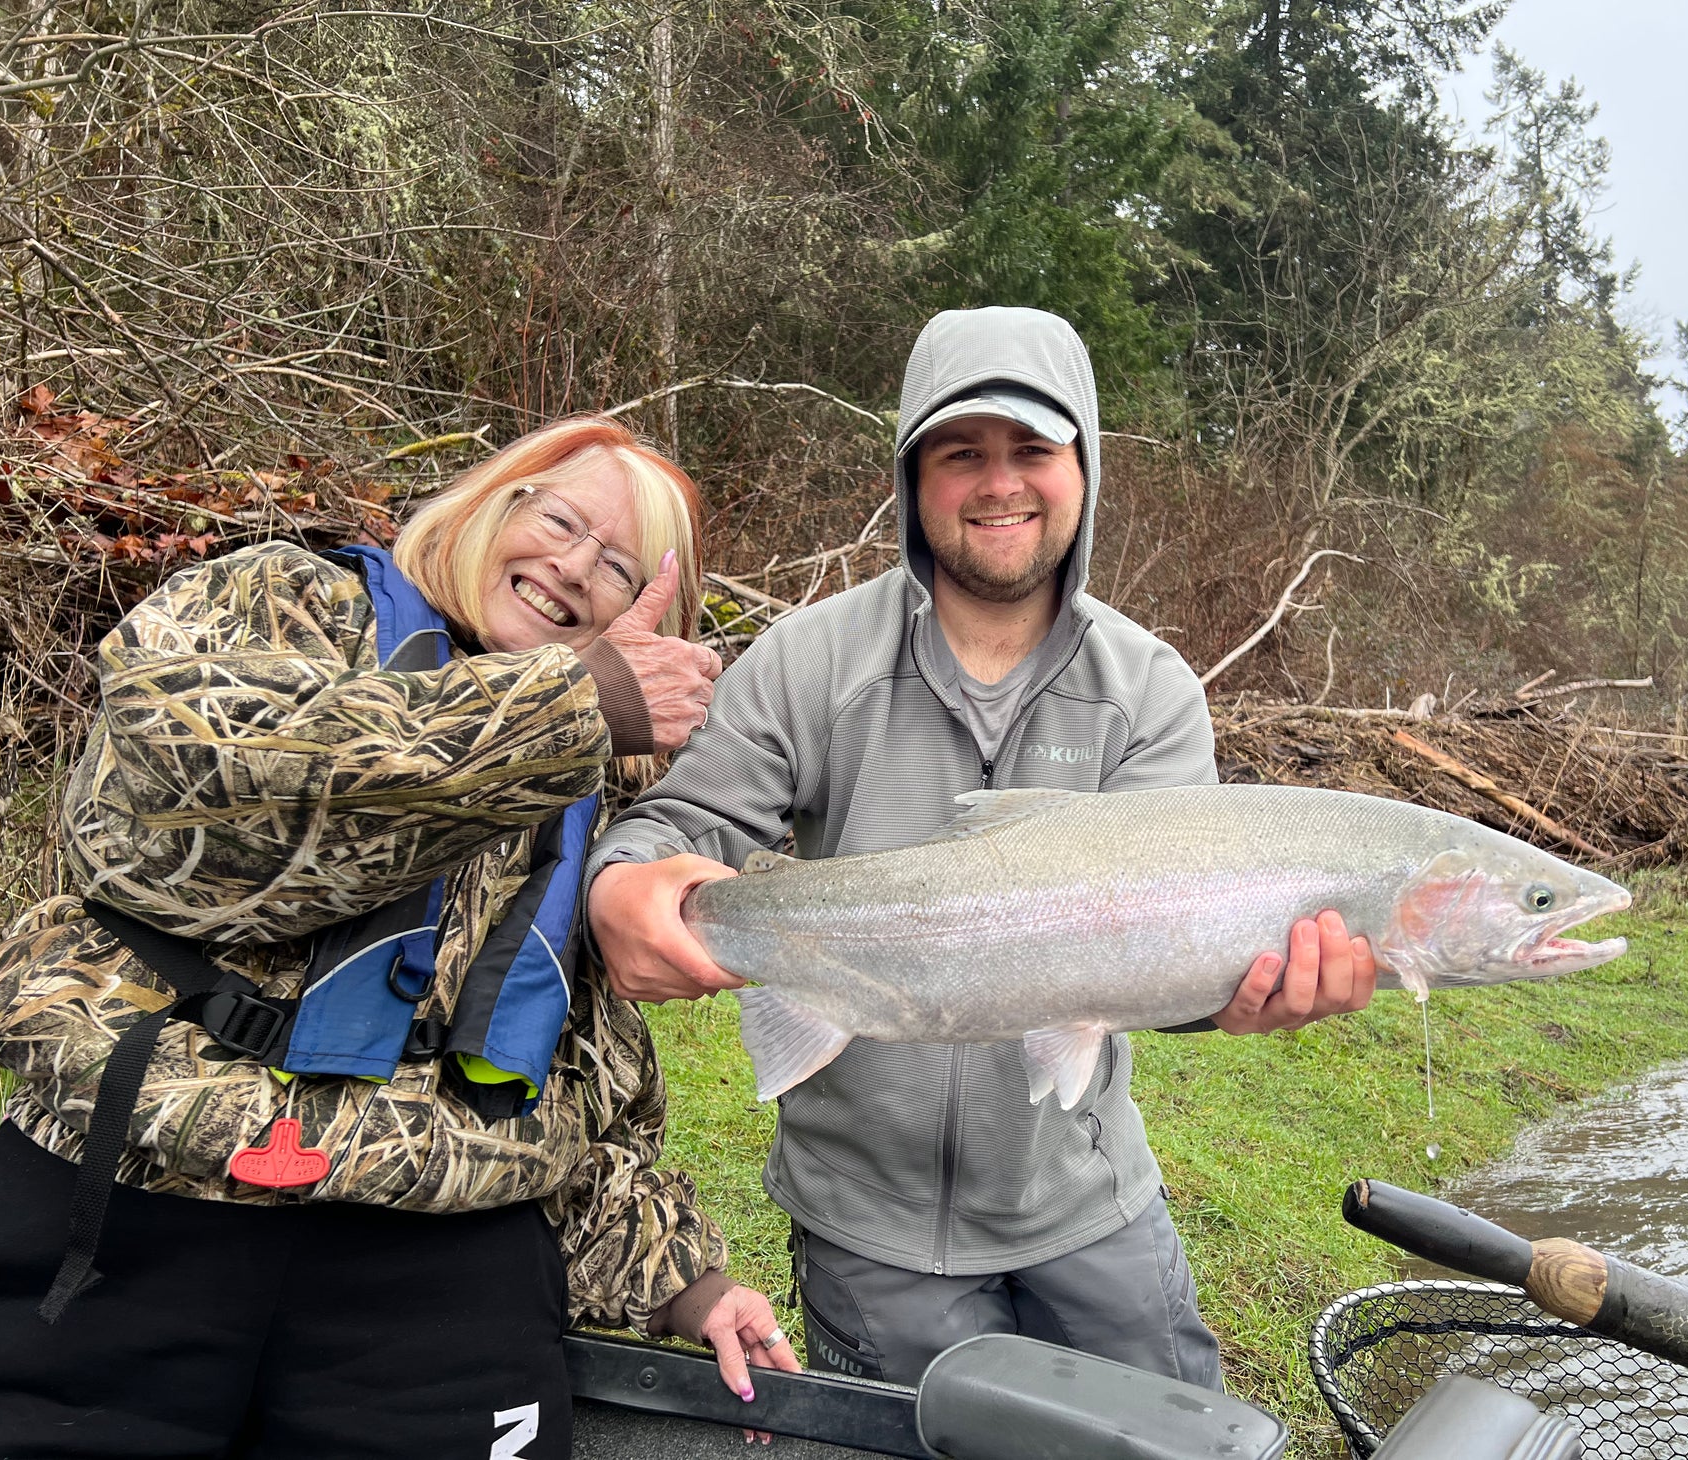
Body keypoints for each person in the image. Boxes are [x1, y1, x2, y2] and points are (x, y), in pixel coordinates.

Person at [0, 416, 798, 1460]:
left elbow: (575, 1073)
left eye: (618, 567)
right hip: (123, 1210)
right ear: (490, 505)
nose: (572, 568)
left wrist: (683, 1279)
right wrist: (571, 706)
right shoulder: (285, 599)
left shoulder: (603, 777)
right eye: (561, 521)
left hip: (437, 1269)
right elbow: (192, 802)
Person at [584, 307, 1378, 1388]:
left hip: (1085, 1196)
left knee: (1169, 1438)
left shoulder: (1149, 692)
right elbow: (671, 829)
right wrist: (621, 885)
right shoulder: (808, 661)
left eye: (1032, 449)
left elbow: (1169, 961)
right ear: (912, 477)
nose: (999, 483)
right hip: (864, 1215)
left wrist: (1235, 992)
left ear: (1083, 469)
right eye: (960, 453)